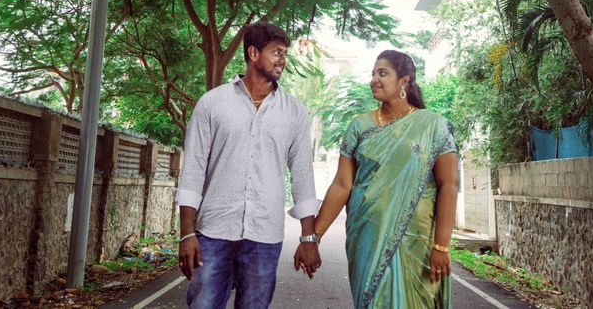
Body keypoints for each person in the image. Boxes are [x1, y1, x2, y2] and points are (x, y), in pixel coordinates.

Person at [176, 21, 321, 309]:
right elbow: (193, 169)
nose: (283, 60)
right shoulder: (212, 104)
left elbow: (303, 174)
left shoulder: (294, 112)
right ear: (253, 53)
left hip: (264, 236)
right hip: (213, 232)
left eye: (284, 53)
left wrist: (309, 238)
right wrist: (187, 233)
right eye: (276, 52)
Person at [314, 49, 459, 308]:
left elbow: (449, 185)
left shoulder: (433, 126)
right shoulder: (359, 126)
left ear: (404, 80)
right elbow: (342, 184)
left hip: (416, 241)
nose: (374, 79)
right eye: (373, 74)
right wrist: (313, 237)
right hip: (367, 237)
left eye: (383, 73)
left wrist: (442, 246)